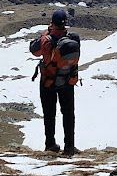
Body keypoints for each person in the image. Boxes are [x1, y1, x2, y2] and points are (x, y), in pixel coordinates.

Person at [28, 8, 81, 155]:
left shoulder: (46, 39)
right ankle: (69, 146)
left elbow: (33, 50)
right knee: (68, 113)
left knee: (49, 114)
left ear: (52, 22)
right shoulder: (74, 38)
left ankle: (50, 144)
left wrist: (46, 33)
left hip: (48, 81)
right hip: (67, 81)